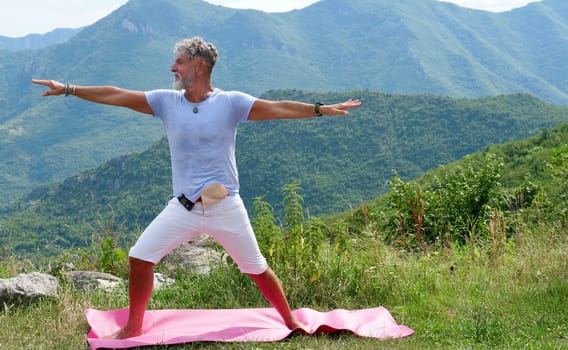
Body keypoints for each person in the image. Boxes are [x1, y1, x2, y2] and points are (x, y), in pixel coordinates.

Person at [32, 36, 361, 339]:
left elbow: (277, 107)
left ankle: (291, 322)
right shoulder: (165, 102)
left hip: (225, 207)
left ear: (199, 66)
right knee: (139, 258)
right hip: (183, 207)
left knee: (257, 269)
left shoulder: (231, 103)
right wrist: (69, 88)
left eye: (179, 62)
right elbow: (117, 94)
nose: (173, 68)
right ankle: (134, 326)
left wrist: (318, 109)